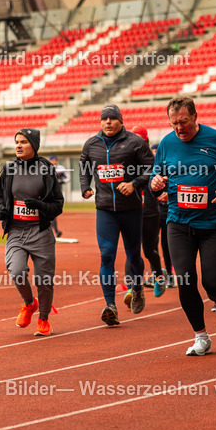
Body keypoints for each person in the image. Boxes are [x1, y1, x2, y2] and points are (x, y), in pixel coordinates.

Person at [150, 96, 216, 356]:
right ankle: (201, 337)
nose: (179, 128)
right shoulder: (166, 144)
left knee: (213, 281)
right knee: (185, 280)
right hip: (178, 223)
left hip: (212, 224)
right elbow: (155, 176)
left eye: (183, 122)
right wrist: (155, 184)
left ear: (195, 116)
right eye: (174, 124)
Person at [79, 104, 154, 326]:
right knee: (107, 255)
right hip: (104, 210)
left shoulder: (135, 142)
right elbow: (83, 166)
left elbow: (151, 167)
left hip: (131, 209)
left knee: (133, 255)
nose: (108, 122)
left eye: (112, 118)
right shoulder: (92, 144)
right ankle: (110, 305)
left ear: (121, 120)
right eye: (104, 119)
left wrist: (134, 184)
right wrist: (85, 186)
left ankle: (137, 288)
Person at [0, 128, 64, 336]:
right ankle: (28, 303)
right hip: (16, 232)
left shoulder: (46, 170)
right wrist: (1, 209)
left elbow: (58, 205)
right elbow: (0, 196)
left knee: (44, 280)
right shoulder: (8, 170)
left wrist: (40, 206)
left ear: (34, 145)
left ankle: (43, 319)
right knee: (16, 271)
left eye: (24, 142)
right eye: (17, 142)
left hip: (41, 232)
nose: (18, 145)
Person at [128, 127, 167, 301]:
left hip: (150, 212)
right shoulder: (126, 161)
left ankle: (158, 276)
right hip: (131, 211)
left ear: (145, 141)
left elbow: (165, 179)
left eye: (138, 139)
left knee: (149, 250)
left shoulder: (154, 161)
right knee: (132, 251)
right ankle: (133, 289)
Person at [47, 154, 69, 237]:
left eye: (55, 160)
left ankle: (54, 231)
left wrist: (61, 181)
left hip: (58, 192)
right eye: (52, 160)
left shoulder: (61, 169)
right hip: (48, 193)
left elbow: (68, 178)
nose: (54, 162)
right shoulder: (46, 169)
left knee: (53, 212)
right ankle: (55, 231)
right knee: (51, 212)